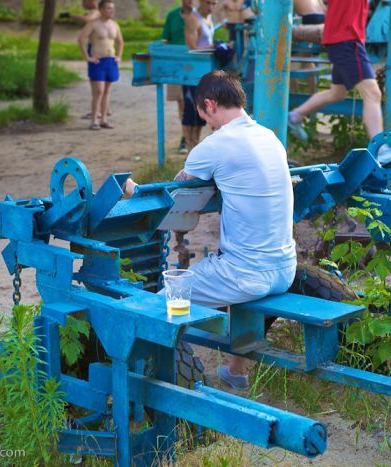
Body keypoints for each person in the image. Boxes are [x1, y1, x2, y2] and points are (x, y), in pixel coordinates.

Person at [124, 71, 297, 391]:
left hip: (246, 274)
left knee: (159, 305)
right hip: (285, 269)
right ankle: (237, 372)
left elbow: (176, 192)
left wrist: (134, 191)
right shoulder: (270, 137)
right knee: (235, 279)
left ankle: (146, 383)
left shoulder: (214, 146)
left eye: (205, 117)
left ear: (209, 104)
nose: (208, 124)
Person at [287, 0, 391, 164]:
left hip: (341, 39)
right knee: (372, 94)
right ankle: (380, 149)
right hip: (347, 39)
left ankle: (295, 116)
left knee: (337, 93)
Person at [79, 0, 123, 130]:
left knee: (107, 91)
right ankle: (94, 120)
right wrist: (88, 57)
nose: (112, 11)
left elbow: (120, 42)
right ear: (102, 10)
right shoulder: (93, 24)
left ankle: (104, 119)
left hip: (111, 60)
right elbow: (81, 39)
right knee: (98, 91)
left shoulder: (115, 25)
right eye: (109, 9)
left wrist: (118, 56)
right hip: (98, 61)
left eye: (113, 9)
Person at [162, 0, 196, 154]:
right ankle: (185, 139)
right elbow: (165, 39)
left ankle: (190, 140)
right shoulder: (172, 15)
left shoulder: (198, 16)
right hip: (176, 65)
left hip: (194, 65)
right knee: (181, 102)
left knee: (192, 102)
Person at [182, 0, 216, 150]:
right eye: (209, 3)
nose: (211, 7)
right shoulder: (193, 19)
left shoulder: (208, 18)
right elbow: (192, 48)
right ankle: (190, 147)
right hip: (192, 71)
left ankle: (194, 148)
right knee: (191, 111)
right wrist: (213, 48)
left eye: (214, 3)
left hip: (205, 70)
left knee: (202, 111)